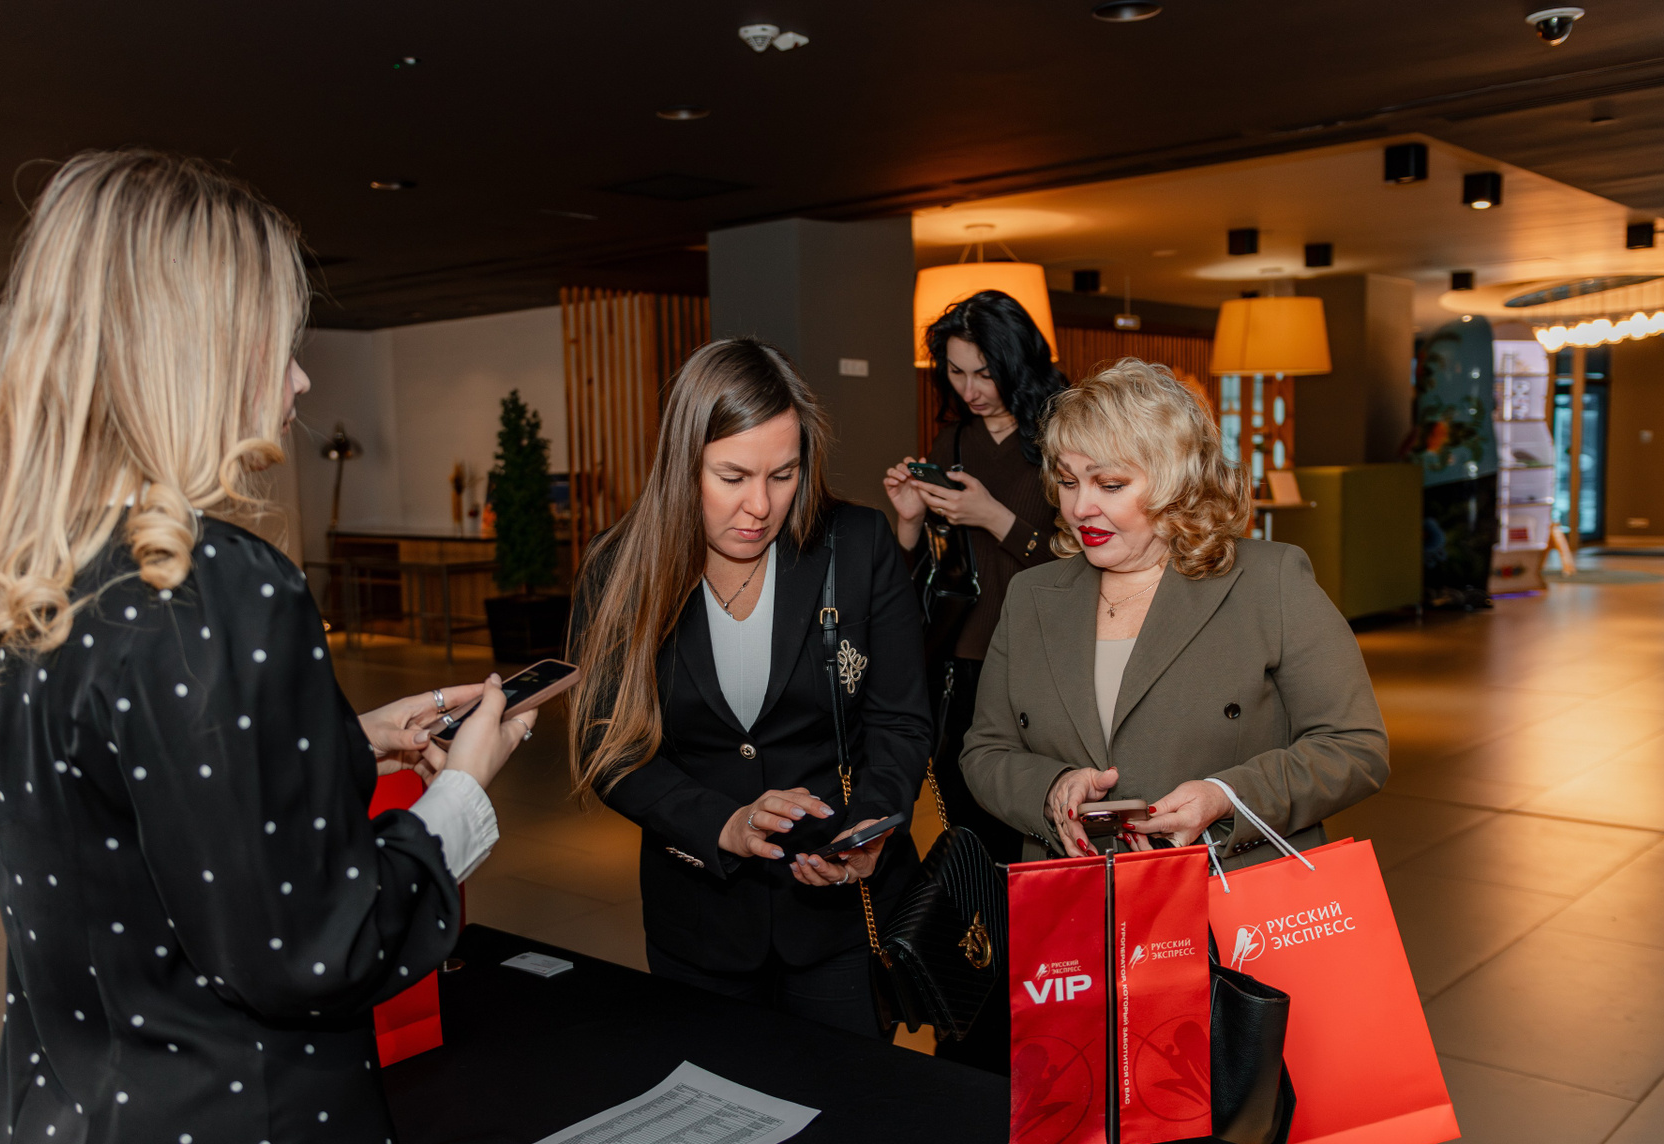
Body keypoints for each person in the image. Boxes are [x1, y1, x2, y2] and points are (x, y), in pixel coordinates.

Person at [0, 149, 536, 1144]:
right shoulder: (219, 584)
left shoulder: (15, 581)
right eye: (276, 342)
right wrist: (460, 793)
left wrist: (342, 742)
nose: (299, 379)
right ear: (189, 349)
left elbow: (133, 817)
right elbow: (318, 948)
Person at [568, 338, 931, 1038]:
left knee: (847, 1099)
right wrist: (721, 824)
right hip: (699, 920)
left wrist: (870, 828)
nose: (759, 506)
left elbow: (901, 720)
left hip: (840, 921)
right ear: (683, 464)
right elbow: (606, 745)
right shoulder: (620, 568)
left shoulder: (858, 545)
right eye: (731, 476)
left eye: (783, 475)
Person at [961, 357, 1388, 871]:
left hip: (1225, 892)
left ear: (1176, 482)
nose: (1079, 508)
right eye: (1068, 482)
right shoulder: (1031, 594)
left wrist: (1228, 796)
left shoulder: (1268, 581)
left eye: (1110, 484)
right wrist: (1050, 790)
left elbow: (1353, 747)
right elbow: (986, 750)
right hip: (1076, 897)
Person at [880, 289, 1064, 1072]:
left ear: (1017, 359)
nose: (970, 388)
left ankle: (1045, 1009)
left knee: (1037, 850)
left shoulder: (1061, 433)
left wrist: (995, 517)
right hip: (962, 664)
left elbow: (1083, 561)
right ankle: (977, 1013)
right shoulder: (953, 438)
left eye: (984, 371)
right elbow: (927, 572)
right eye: (955, 372)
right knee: (971, 848)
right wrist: (909, 518)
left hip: (1043, 667)